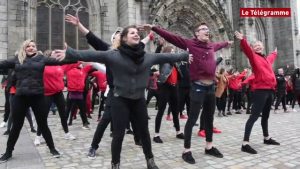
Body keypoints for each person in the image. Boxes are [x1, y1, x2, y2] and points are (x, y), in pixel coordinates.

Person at [53, 25, 188, 169]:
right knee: (118, 135)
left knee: (144, 132)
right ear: (124, 38)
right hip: (120, 99)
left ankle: (150, 160)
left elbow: (168, 56)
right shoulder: (114, 55)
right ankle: (115, 163)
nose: (136, 34)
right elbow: (92, 55)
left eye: (137, 33)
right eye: (132, 33)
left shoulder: (147, 57)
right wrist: (70, 53)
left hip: (138, 100)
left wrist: (187, 54)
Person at [65, 14, 153, 160]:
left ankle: (139, 140)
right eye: (117, 35)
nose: (120, 36)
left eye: (121, 34)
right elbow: (92, 38)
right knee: (105, 120)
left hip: (132, 94)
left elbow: (143, 41)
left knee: (137, 120)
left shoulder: (134, 51)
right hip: (115, 94)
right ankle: (94, 146)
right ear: (115, 39)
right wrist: (78, 25)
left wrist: (149, 34)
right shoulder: (110, 51)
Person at [144, 22, 233, 163]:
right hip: (197, 87)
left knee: (209, 118)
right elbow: (171, 37)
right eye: (203, 29)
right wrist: (154, 28)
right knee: (192, 119)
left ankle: (209, 146)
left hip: (211, 88)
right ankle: (186, 151)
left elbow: (219, 45)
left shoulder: (211, 45)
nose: (207, 31)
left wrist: (227, 42)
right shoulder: (190, 44)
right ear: (197, 33)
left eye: (208, 29)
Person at [0, 39, 67, 163]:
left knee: (43, 124)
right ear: (24, 48)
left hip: (38, 97)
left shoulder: (42, 59)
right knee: (16, 126)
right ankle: (8, 152)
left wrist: (69, 54)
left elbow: (60, 61)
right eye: (28, 46)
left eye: (33, 46)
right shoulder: (17, 59)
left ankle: (52, 149)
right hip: (20, 97)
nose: (31, 48)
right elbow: (2, 64)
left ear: (36, 48)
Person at [235, 31, 280, 154]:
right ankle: (245, 143)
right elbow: (248, 51)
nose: (258, 47)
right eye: (256, 46)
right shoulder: (254, 57)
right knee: (254, 117)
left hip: (270, 91)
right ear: (254, 49)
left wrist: (275, 52)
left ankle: (266, 138)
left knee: (265, 116)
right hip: (260, 91)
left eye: (259, 45)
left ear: (263, 47)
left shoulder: (266, 59)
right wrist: (243, 40)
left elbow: (271, 57)